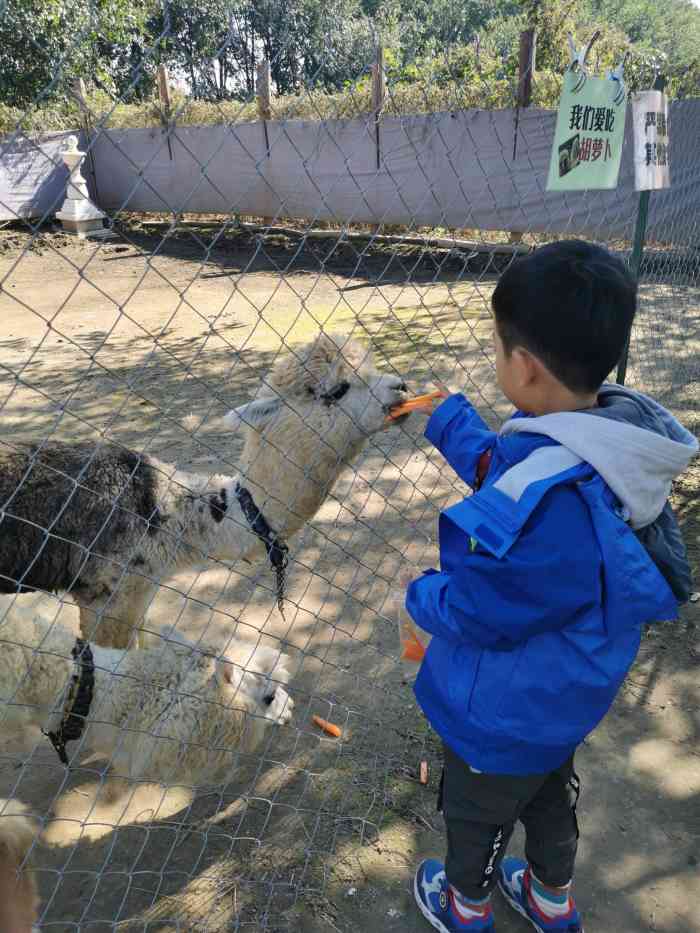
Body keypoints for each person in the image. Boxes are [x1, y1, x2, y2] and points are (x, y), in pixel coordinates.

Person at [407, 240, 698, 933]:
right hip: (564, 698)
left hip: (502, 713)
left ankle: (466, 905)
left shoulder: (548, 504)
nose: (495, 358)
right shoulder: (606, 439)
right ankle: (550, 899)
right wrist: (449, 419)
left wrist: (420, 593)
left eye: (499, 348)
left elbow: (479, 610)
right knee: (548, 800)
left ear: (526, 368)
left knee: (476, 811)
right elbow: (515, 468)